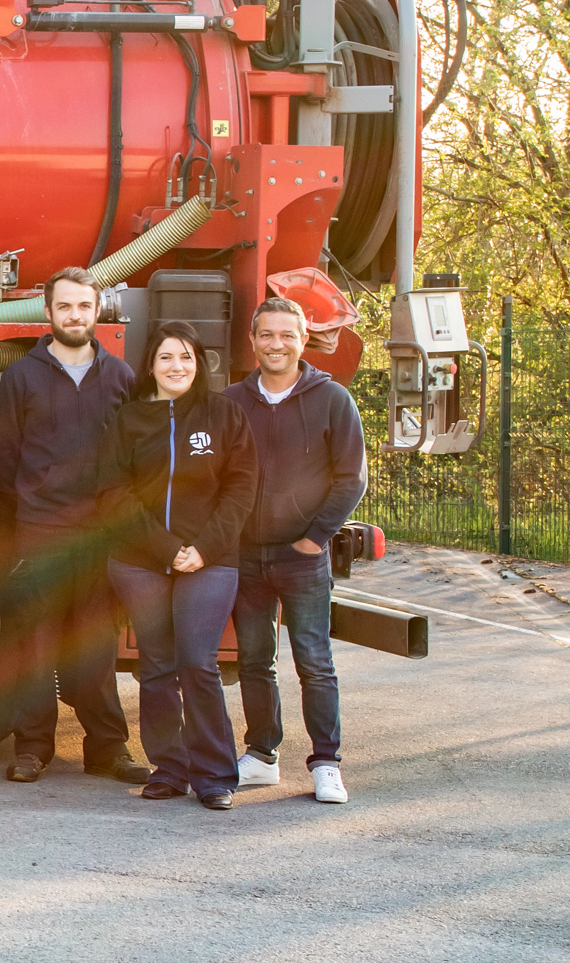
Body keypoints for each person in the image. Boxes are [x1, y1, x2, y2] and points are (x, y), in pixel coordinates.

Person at [0, 266, 148, 784]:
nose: (74, 315)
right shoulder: (23, 378)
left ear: (95, 310)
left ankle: (108, 748)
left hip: (99, 534)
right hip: (42, 530)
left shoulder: (119, 376)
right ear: (48, 313)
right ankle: (33, 748)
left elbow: (133, 458)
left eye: (83, 306)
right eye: (64, 307)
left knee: (96, 644)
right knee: (36, 643)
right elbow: (3, 458)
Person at [97, 321, 257, 809]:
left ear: (199, 363)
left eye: (186, 357)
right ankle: (169, 768)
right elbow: (114, 495)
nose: (176, 366)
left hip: (210, 561)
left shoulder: (224, 416)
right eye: (166, 357)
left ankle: (214, 775)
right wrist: (166, 549)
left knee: (196, 661)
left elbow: (241, 487)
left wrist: (203, 547)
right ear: (151, 365)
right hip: (141, 561)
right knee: (157, 665)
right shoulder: (128, 421)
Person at [227, 295, 368, 804]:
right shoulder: (233, 401)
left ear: (303, 340)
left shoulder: (331, 400)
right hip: (245, 555)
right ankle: (263, 756)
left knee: (314, 660)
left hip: (303, 555)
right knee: (254, 660)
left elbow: (351, 477)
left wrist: (315, 538)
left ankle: (326, 763)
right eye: (267, 334)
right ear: (253, 341)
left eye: (287, 334)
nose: (276, 344)